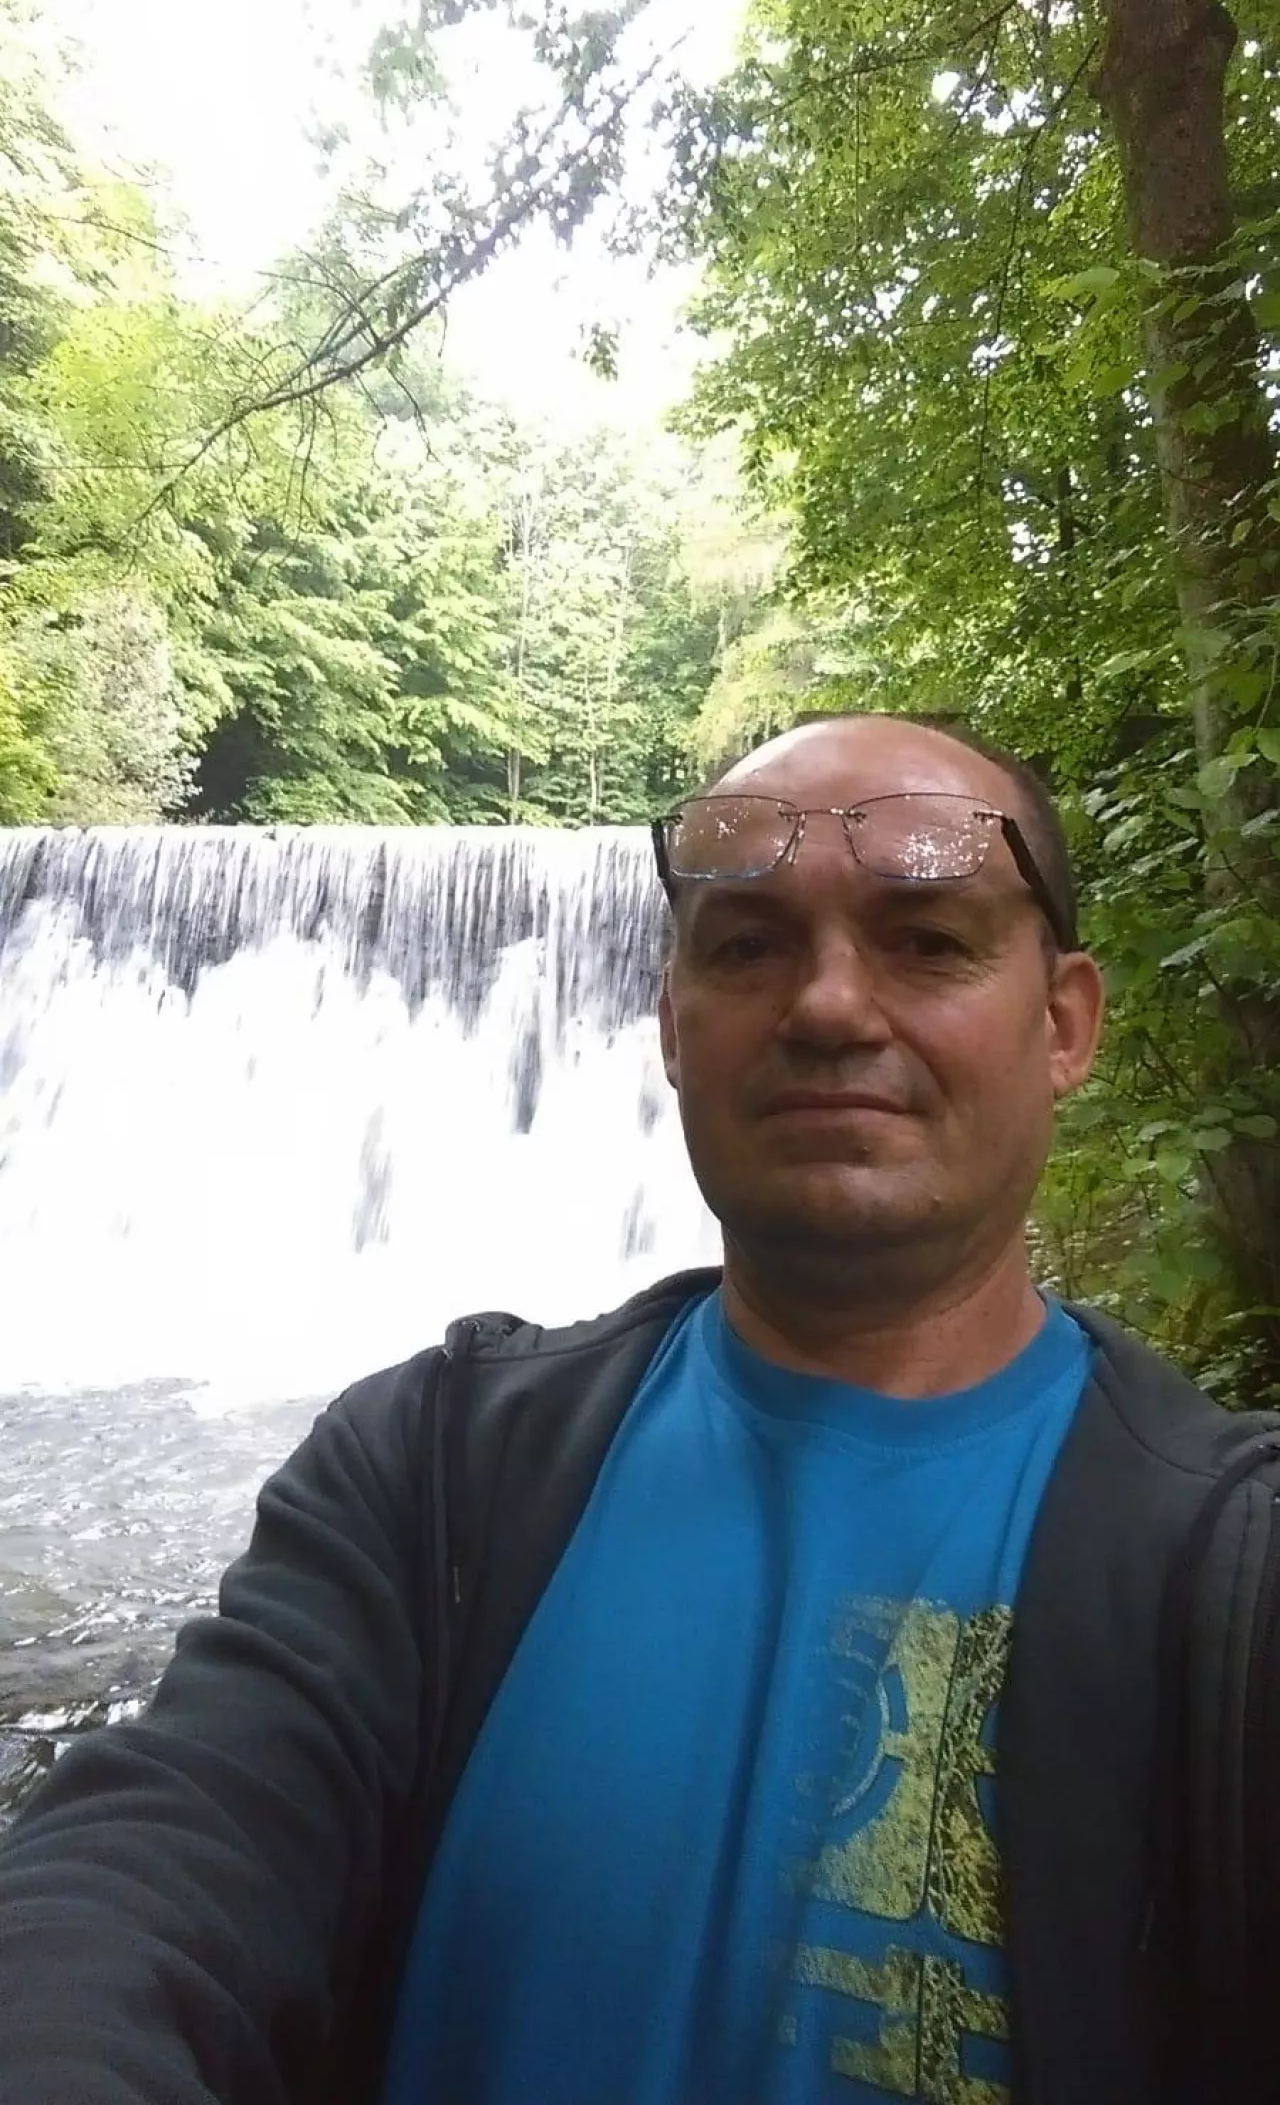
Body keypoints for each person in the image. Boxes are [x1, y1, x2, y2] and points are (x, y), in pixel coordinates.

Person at [1, 711, 1277, 2105]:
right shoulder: (433, 1477)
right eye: (747, 947)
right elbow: (159, 1853)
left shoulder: (1232, 1579)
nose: (829, 1006)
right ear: (672, 1025)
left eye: (926, 941)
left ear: (1065, 1024)